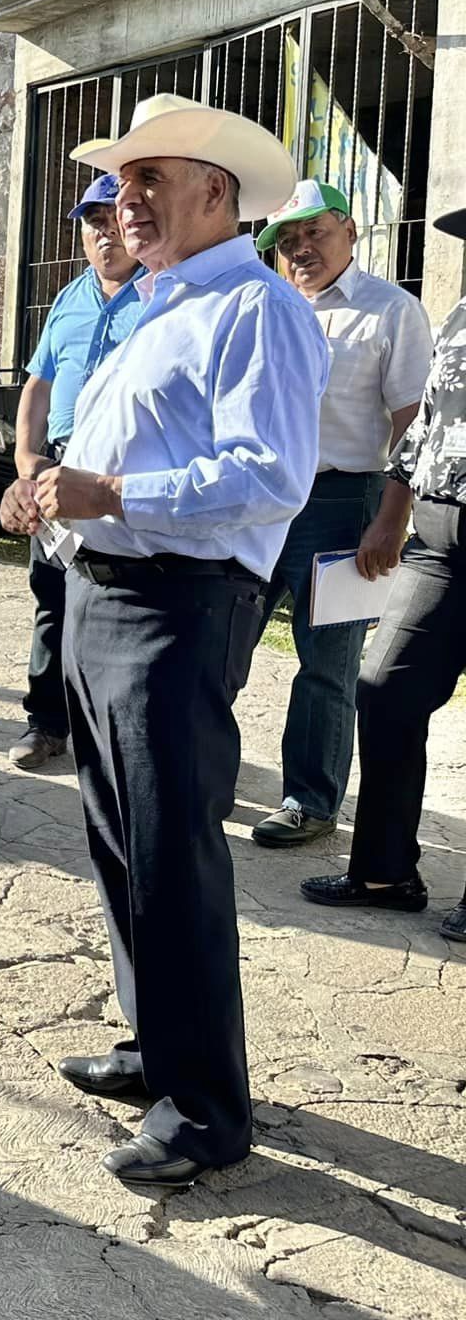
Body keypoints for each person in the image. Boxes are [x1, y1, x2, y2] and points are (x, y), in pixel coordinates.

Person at [0, 94, 326, 1189]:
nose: (124, 201)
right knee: (119, 841)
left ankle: (202, 1111)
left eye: (148, 180)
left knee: (171, 854)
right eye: (121, 183)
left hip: (178, 604)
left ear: (214, 193)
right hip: (104, 588)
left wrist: (110, 487)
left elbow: (268, 474)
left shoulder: (256, 310)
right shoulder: (157, 304)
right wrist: (57, 496)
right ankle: (155, 1051)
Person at [245, 181, 431, 846]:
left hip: (343, 504)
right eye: (286, 241)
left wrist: (392, 517)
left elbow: (414, 419)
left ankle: (310, 801)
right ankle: (204, 773)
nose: (299, 249)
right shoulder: (263, 308)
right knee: (222, 640)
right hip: (257, 502)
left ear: (349, 230)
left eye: (313, 233)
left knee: (328, 661)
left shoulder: (390, 310)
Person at [301, 204, 466, 941]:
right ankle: (386, 870)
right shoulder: (462, 313)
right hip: (437, 534)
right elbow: (426, 420)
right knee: (386, 689)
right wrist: (391, 514)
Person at [9, 174, 144, 771]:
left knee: (116, 603)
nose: (102, 233)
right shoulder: (69, 298)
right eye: (91, 223)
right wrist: (24, 458)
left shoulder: (160, 297)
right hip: (56, 466)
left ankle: (111, 729)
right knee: (52, 597)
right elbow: (38, 384)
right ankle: (45, 723)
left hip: (115, 471)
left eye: (111, 219)